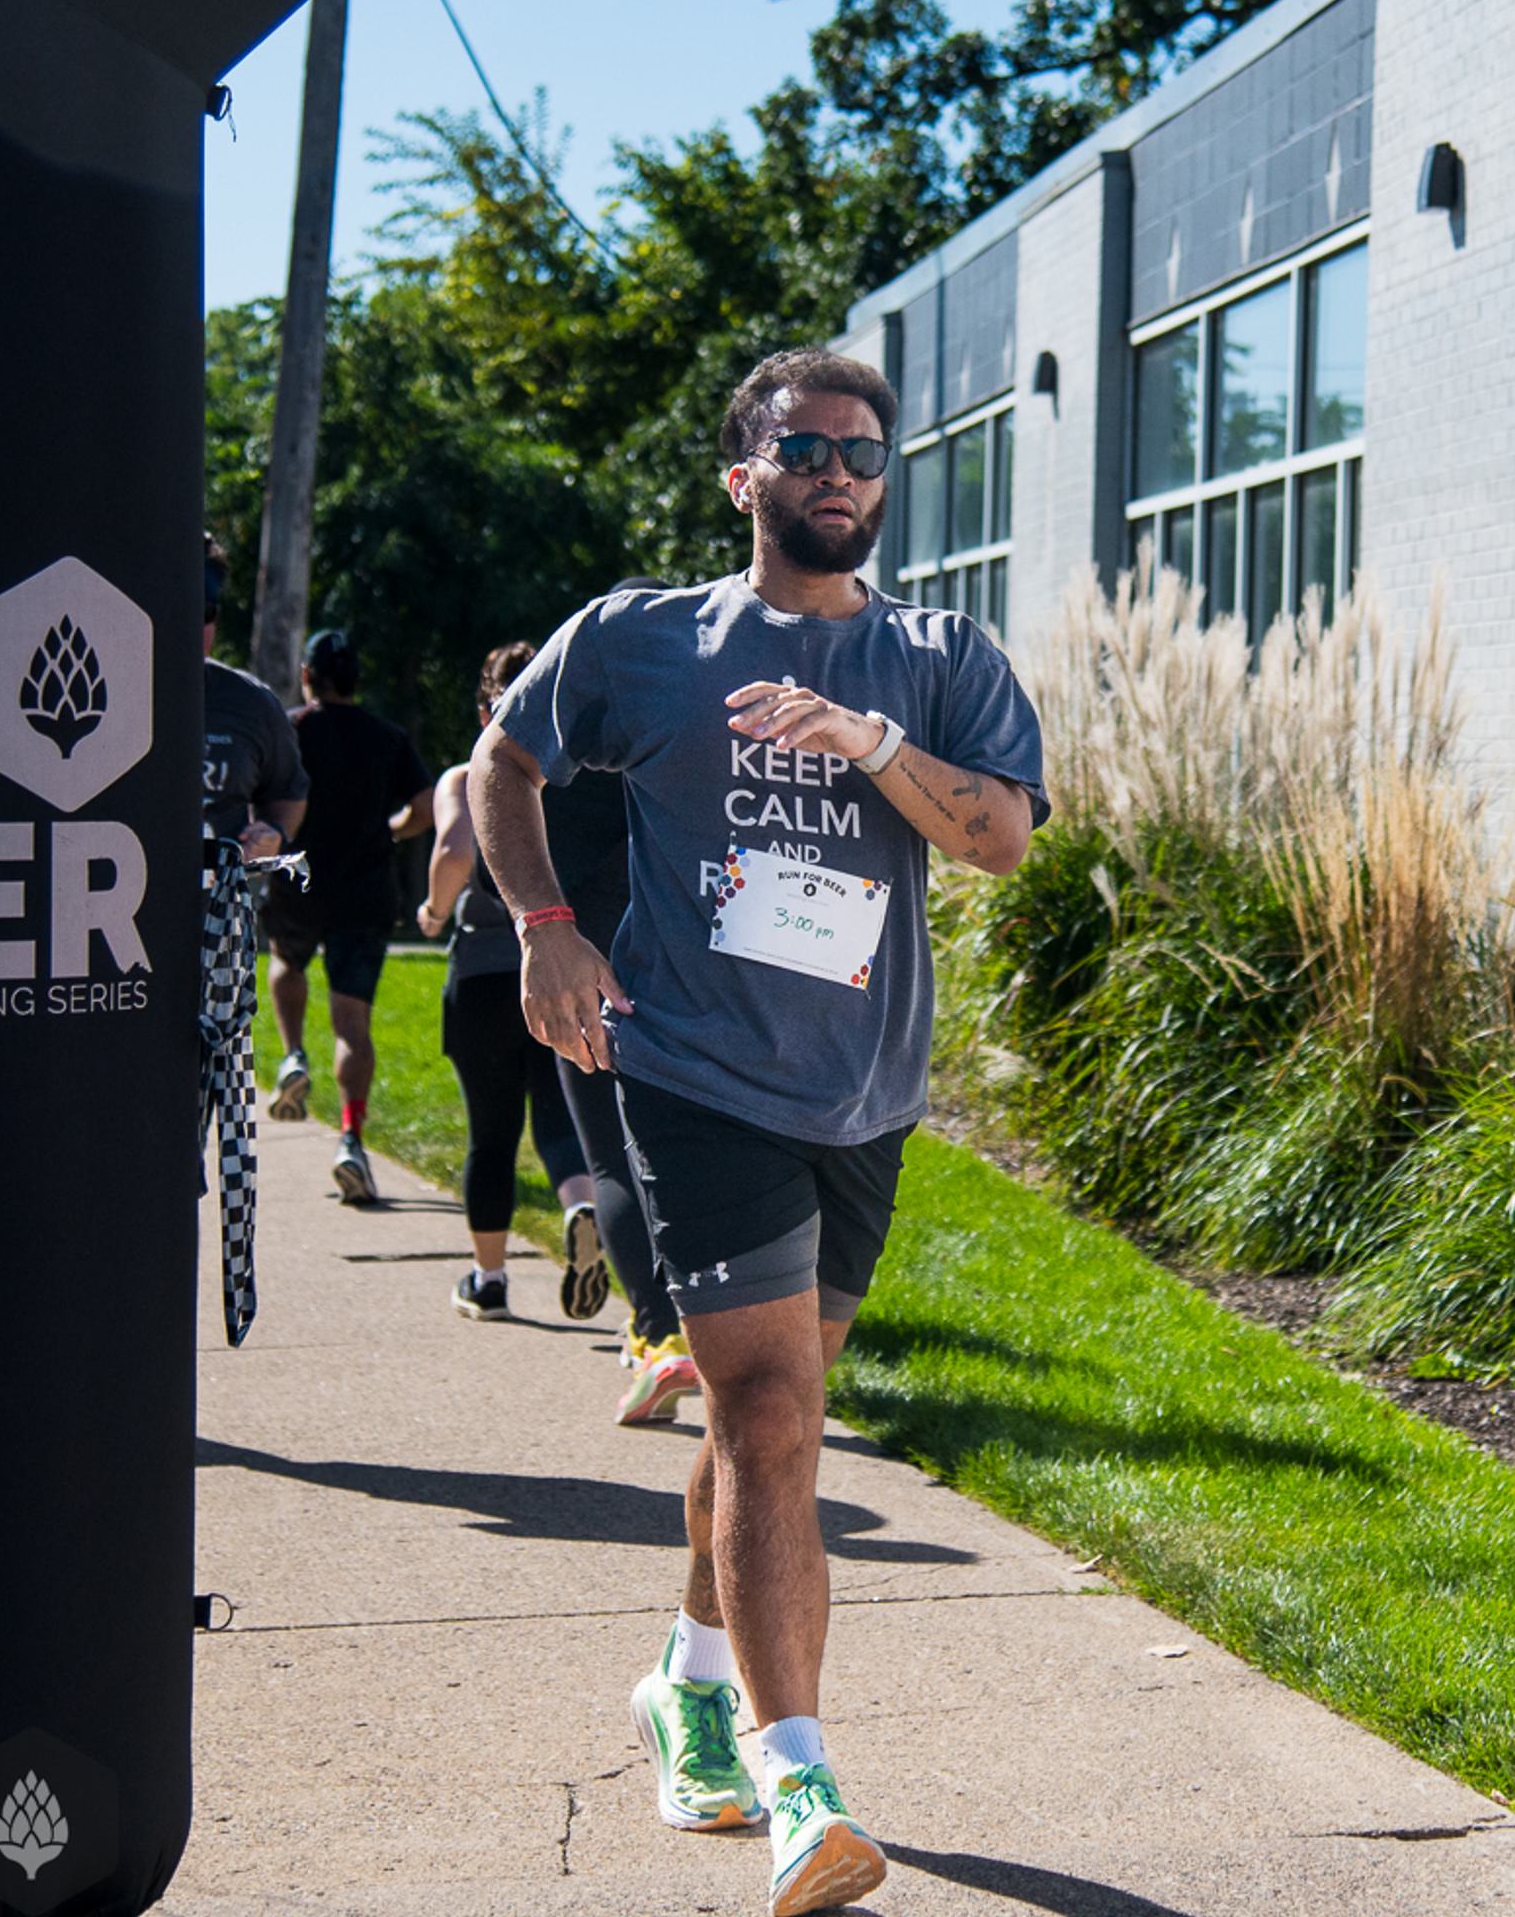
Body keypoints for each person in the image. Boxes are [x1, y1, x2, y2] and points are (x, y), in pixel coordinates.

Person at [469, 348, 1047, 1916]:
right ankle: (805, 1786)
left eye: (867, 452)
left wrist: (864, 746)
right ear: (746, 477)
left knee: (760, 1432)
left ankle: (687, 1676)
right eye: (809, 449)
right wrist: (543, 925)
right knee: (775, 1415)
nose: (843, 473)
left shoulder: (939, 655)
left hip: (862, 1095)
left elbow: (997, 836)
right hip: (693, 1074)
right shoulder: (645, 638)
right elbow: (502, 762)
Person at [419, 642, 700, 1426]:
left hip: (534, 971)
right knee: (626, 1147)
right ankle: (691, 1313)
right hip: (653, 969)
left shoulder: (498, 770)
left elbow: (451, 850)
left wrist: (434, 916)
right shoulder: (626, 757)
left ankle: (645, 1329)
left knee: (563, 1145)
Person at [262, 628, 434, 1206]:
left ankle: (292, 1055)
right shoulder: (387, 737)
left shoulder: (292, 728)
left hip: (298, 882)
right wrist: (392, 829)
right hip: (366, 891)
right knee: (352, 1024)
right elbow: (426, 806)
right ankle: (351, 1138)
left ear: (308, 677)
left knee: (286, 962)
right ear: (356, 679)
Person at [201, 536, 309, 862]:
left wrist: (273, 833)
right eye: (174, 608)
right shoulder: (104, 693)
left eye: (205, 611)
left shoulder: (251, 703)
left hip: (213, 907)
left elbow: (288, 795)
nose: (189, 624)